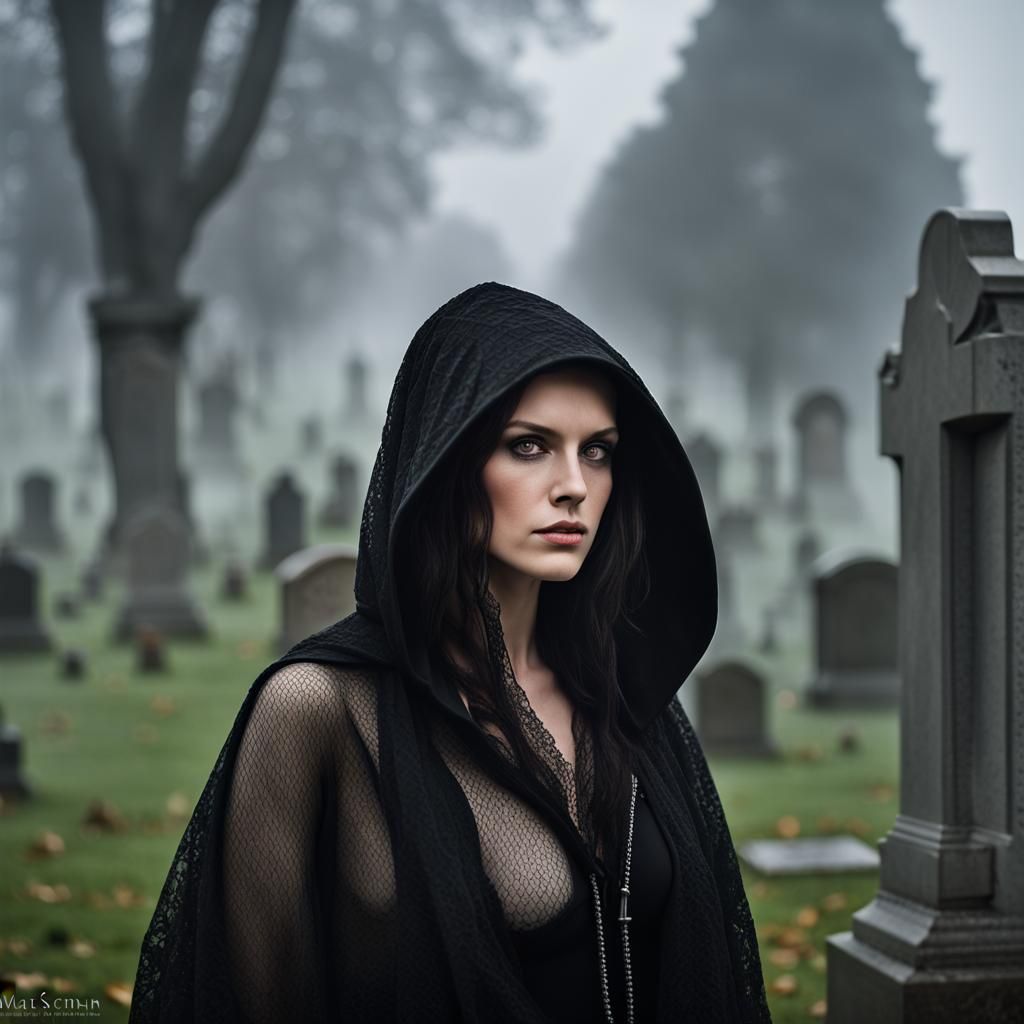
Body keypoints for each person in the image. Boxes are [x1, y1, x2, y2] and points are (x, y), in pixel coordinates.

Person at [128, 283, 771, 1023]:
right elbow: (247, 1000)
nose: (573, 487)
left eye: (597, 451)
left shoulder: (622, 698)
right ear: (446, 459)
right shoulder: (320, 711)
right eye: (528, 446)